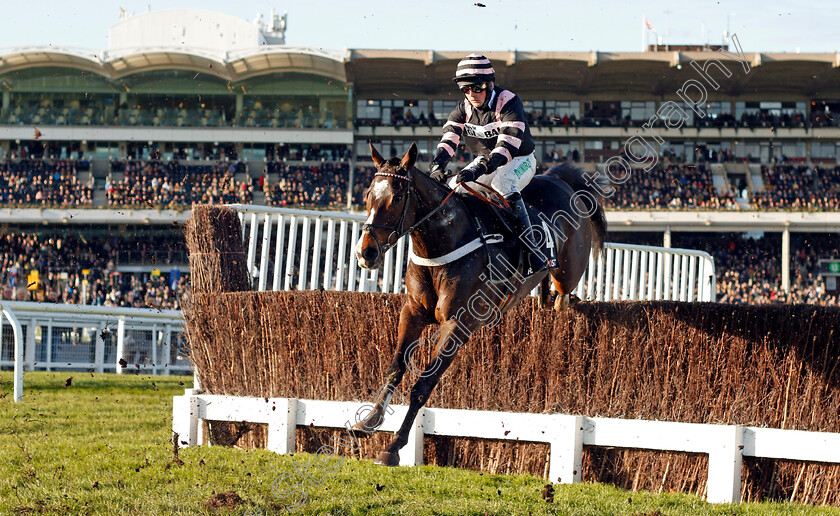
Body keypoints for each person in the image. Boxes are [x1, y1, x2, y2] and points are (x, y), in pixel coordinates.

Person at [428, 53, 545, 270]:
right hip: (486, 159)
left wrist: (479, 168)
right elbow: (449, 137)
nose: (471, 94)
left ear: (490, 84)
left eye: (477, 88)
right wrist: (437, 166)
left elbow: (507, 147)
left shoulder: (509, 101)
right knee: (455, 187)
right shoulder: (463, 108)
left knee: (502, 184)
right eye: (465, 89)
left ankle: (532, 249)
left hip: (520, 158)